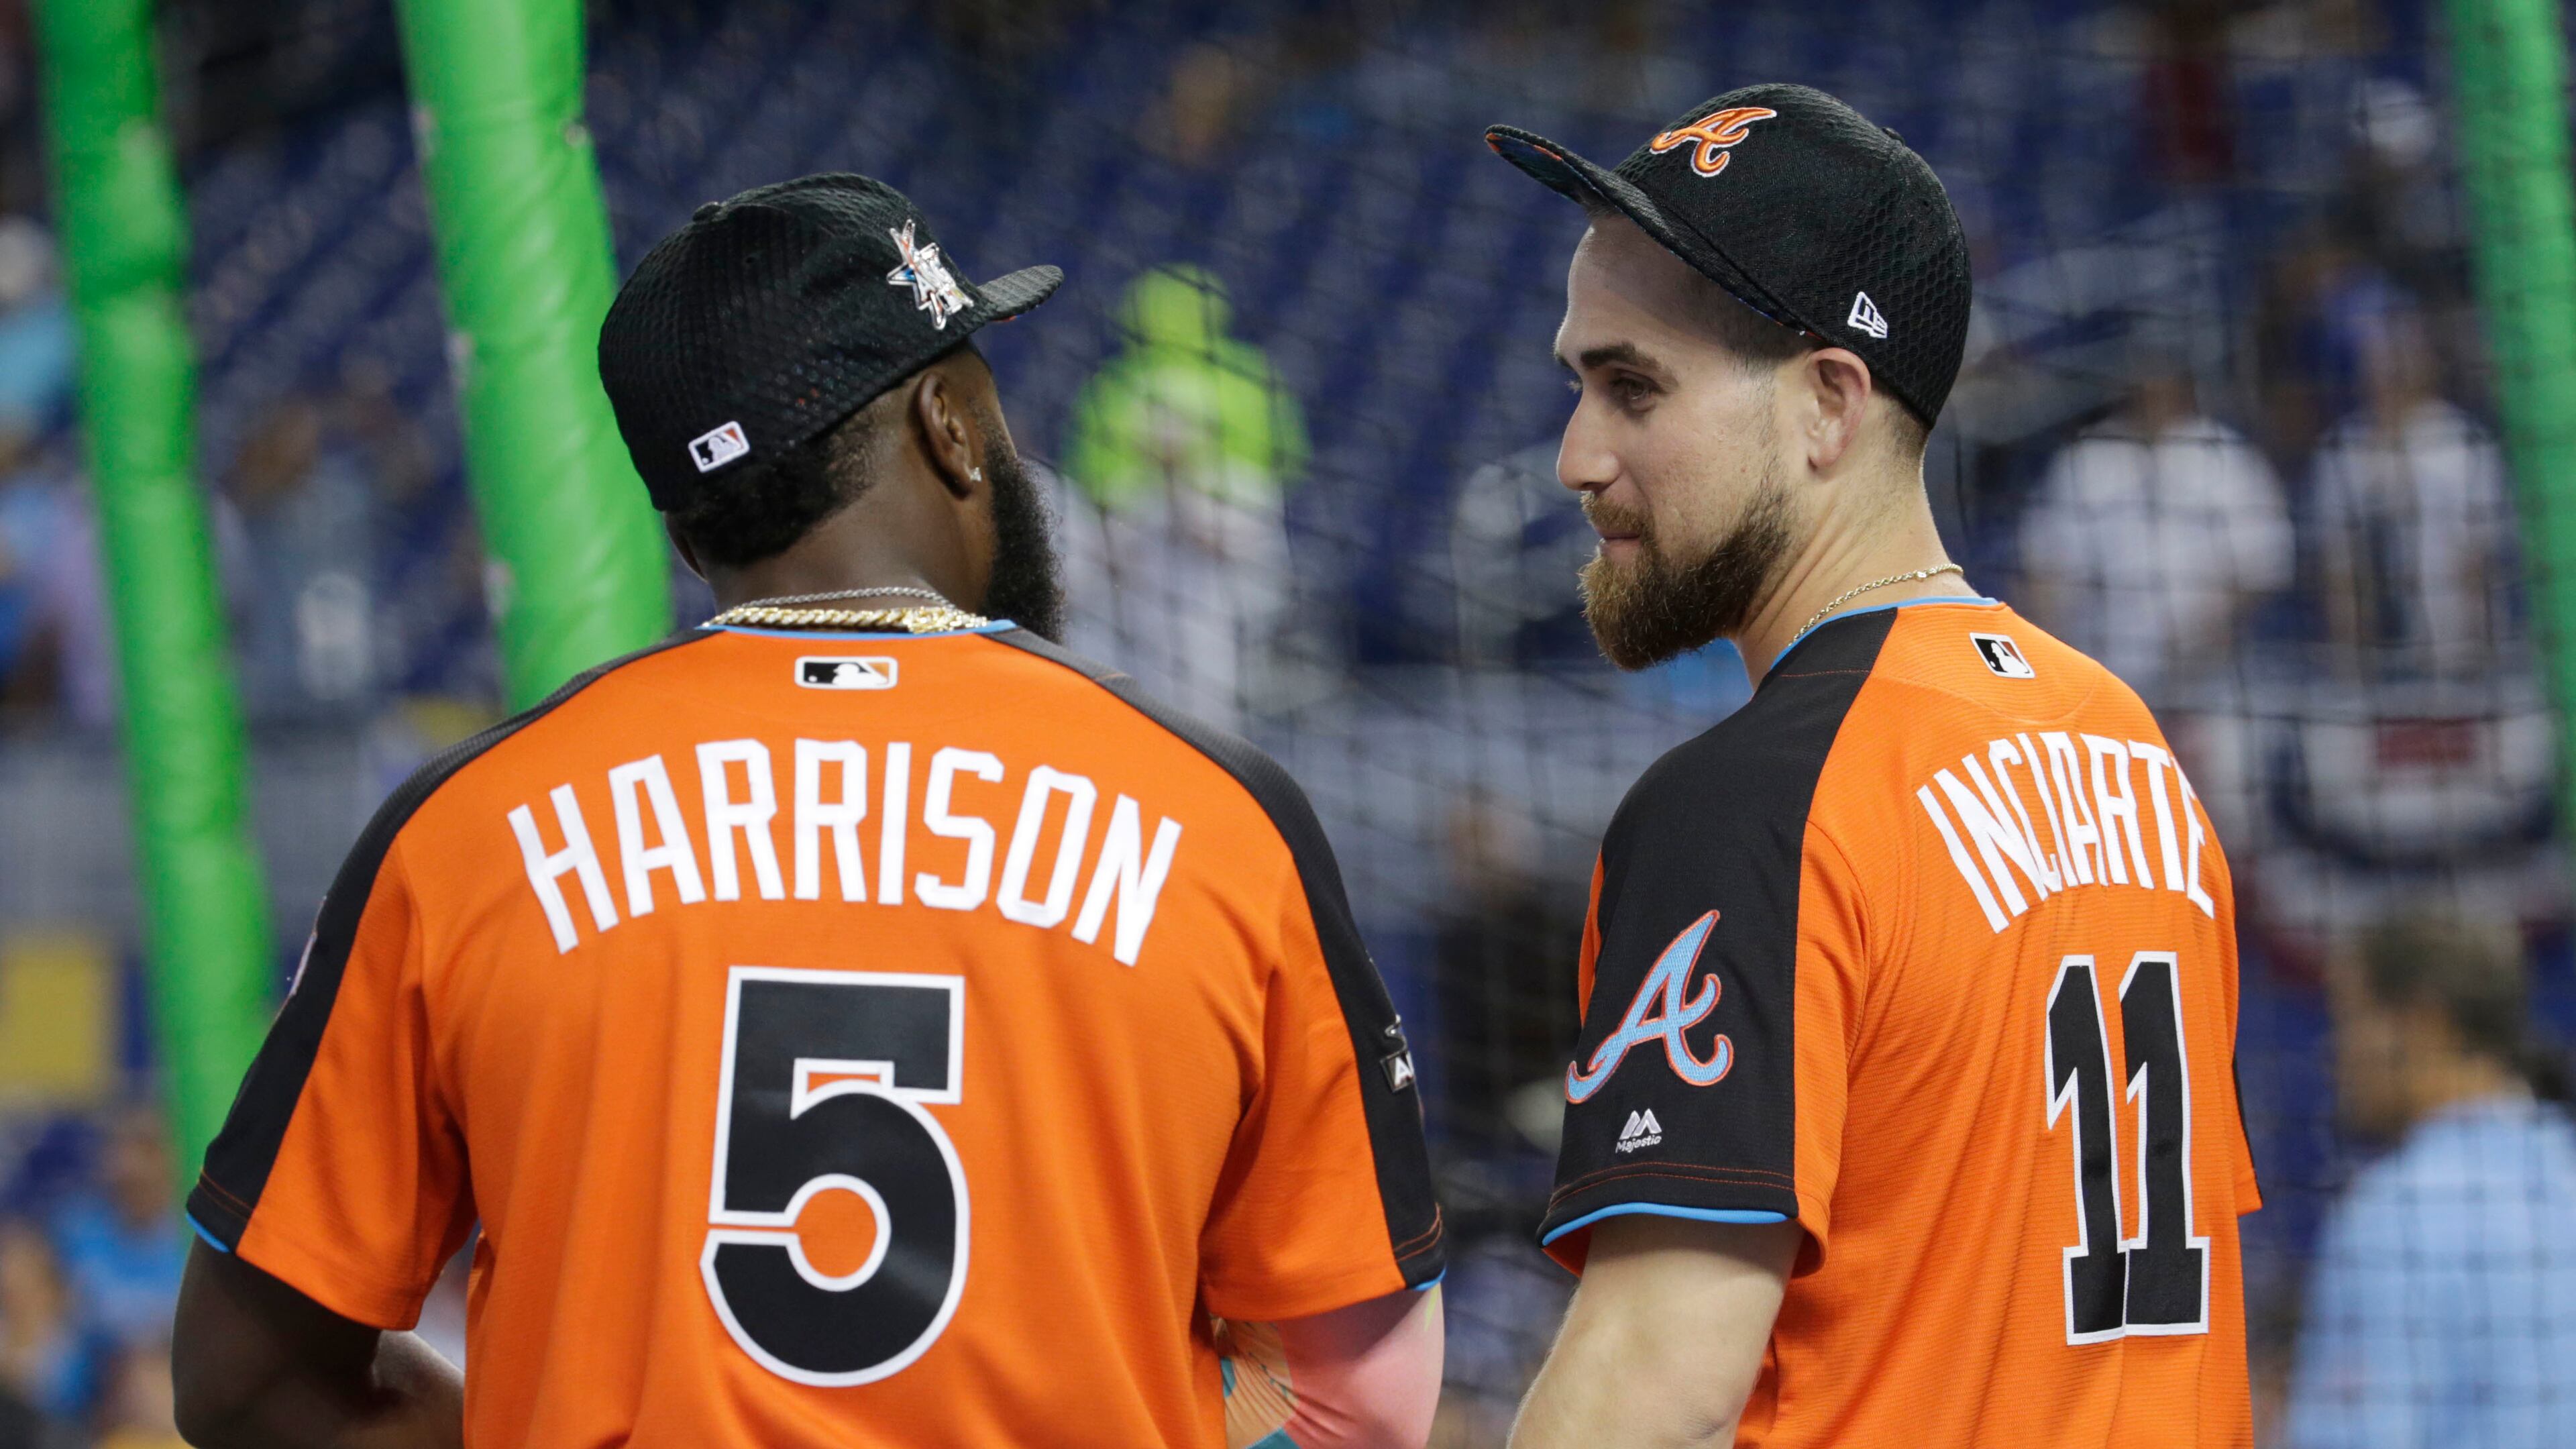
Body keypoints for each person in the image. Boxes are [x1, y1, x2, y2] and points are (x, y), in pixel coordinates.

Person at [168, 174, 1444, 1448]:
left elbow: (243, 1382)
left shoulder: (465, 830)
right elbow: (1361, 1406)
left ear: (688, 532)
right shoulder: (1215, 816)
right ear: (951, 426)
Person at [1481, 84, 2260, 1446]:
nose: (1575, 458)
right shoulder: (2124, 739)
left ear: (1827, 405)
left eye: (1633, 387)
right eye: (1578, 386)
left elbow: (1652, 1381)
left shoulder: (1756, 801)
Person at [2283, 914, 2576, 1448]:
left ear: (2423, 1022)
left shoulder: (2397, 1213)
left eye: (2350, 1018)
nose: (2335, 1052)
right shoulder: (2564, 1169)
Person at [1059, 266, 1311, 728]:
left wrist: (1180, 476)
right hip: (1152, 567)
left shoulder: (1114, 385)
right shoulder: (1244, 376)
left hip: (1201, 568)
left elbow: (1097, 493)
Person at [2019, 356, 2293, 702]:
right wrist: (2060, 660)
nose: (2153, 393)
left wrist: (2205, 643)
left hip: (2211, 679)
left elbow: (2261, 570)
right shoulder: (2088, 457)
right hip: (2099, 672)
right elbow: (2044, 572)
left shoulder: (2224, 455)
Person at [48, 1105, 187, 1354]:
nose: (129, 1166)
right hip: (96, 1373)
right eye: (119, 1149)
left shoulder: (194, 1234)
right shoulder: (75, 1231)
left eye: (146, 1151)